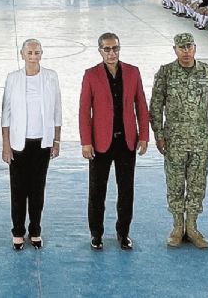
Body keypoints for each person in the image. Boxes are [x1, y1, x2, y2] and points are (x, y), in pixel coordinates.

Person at [149, 32, 208, 249]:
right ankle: (177, 226)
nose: (186, 51)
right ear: (175, 50)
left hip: (200, 139)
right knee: (174, 184)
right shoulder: (166, 73)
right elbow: (155, 106)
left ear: (195, 47)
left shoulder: (207, 72)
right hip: (174, 140)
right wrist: (159, 135)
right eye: (181, 48)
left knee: (197, 184)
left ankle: (192, 226)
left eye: (189, 46)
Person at [79, 32, 150, 250]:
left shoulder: (133, 72)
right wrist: (86, 142)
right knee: (97, 191)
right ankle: (96, 234)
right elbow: (84, 111)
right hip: (100, 142)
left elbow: (141, 106)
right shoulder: (91, 75)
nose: (112, 53)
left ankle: (123, 233)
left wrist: (144, 136)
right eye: (107, 49)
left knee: (126, 190)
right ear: (100, 51)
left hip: (127, 141)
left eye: (115, 48)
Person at [1, 39, 62, 250]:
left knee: (38, 189)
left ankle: (35, 230)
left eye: (37, 52)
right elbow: (5, 114)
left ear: (41, 54)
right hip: (19, 144)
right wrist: (6, 145)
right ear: (22, 54)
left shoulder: (51, 77)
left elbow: (57, 110)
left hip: (42, 143)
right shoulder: (13, 79)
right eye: (29, 52)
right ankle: (18, 231)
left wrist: (56, 140)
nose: (33, 56)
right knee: (18, 189)